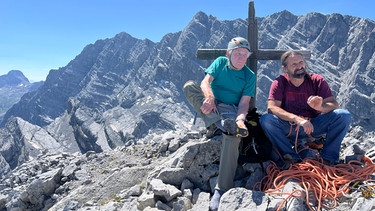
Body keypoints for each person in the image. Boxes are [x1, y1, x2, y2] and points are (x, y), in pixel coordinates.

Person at [183, 37, 256, 211]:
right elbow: (205, 82)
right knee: (189, 86)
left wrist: (240, 120)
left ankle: (221, 189)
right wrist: (209, 97)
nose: (241, 57)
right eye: (237, 53)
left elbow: (244, 103)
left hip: (231, 110)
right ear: (228, 53)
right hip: (213, 105)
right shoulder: (220, 62)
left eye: (245, 54)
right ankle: (220, 124)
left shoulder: (249, 76)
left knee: (233, 136)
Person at [259, 50, 351, 168]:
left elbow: (334, 104)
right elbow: (272, 108)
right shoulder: (280, 82)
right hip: (289, 127)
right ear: (285, 69)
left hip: (313, 126)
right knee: (266, 120)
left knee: (343, 115)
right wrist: (297, 119)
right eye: (294, 64)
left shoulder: (317, 80)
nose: (299, 66)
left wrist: (321, 107)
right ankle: (291, 157)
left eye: (301, 62)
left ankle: (329, 158)